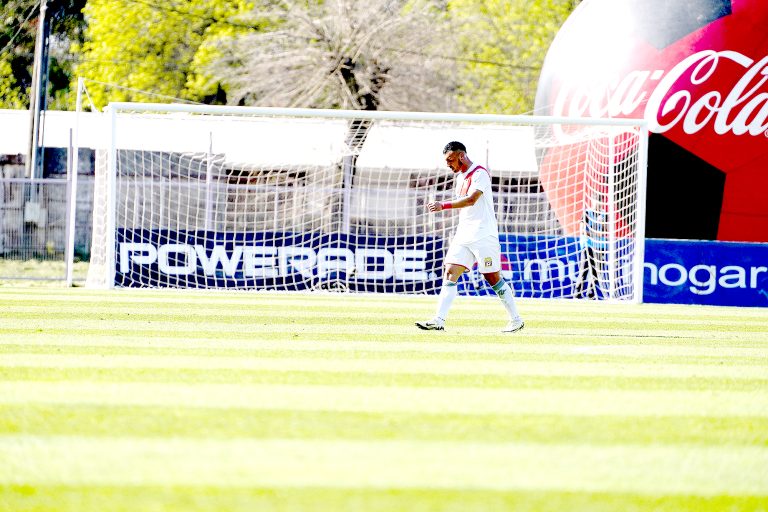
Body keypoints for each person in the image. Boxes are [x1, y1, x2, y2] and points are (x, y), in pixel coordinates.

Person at [416, 141, 524, 333]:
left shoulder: (480, 173)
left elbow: (472, 200)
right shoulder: (460, 177)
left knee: (492, 278)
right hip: (464, 233)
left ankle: (516, 320)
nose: (448, 164)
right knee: (450, 272)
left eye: (450, 159)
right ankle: (438, 320)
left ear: (461, 156)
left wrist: (443, 205)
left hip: (483, 234)